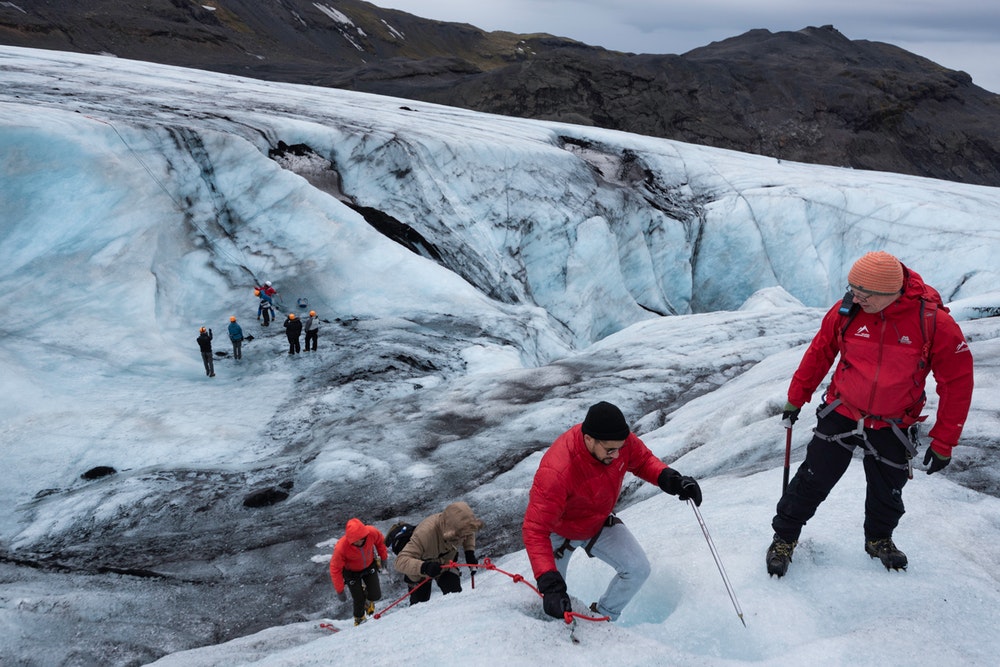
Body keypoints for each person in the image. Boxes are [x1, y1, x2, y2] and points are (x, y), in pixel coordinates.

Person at [767, 251, 974, 576]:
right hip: (842, 411)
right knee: (813, 478)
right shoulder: (848, 311)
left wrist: (945, 441)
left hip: (894, 422)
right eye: (854, 291)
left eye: (865, 295)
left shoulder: (934, 323)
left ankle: (879, 539)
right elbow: (820, 352)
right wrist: (796, 398)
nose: (856, 299)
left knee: (887, 489)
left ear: (892, 292)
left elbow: (957, 382)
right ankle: (784, 537)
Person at [522, 401, 702, 622]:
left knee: (637, 569)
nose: (617, 456)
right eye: (610, 450)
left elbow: (643, 461)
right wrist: (549, 583)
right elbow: (535, 530)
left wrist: (672, 480)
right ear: (589, 439)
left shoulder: (617, 441)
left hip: (596, 523)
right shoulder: (557, 471)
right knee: (552, 604)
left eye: (620, 448)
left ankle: (602, 618)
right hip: (559, 532)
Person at [394, 502, 484, 606]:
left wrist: (469, 552)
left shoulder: (461, 527)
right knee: (420, 606)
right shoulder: (425, 533)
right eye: (461, 536)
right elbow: (400, 561)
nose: (464, 538)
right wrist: (424, 567)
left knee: (455, 597)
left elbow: (469, 532)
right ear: (451, 530)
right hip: (420, 570)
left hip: (446, 564)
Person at [329, 518, 388, 626]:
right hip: (351, 573)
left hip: (369, 566)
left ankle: (367, 599)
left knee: (376, 595)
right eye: (355, 541)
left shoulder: (371, 532)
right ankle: (359, 618)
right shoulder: (341, 547)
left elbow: (380, 542)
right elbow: (335, 568)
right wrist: (340, 590)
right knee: (358, 599)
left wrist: (383, 557)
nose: (358, 542)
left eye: (361, 539)